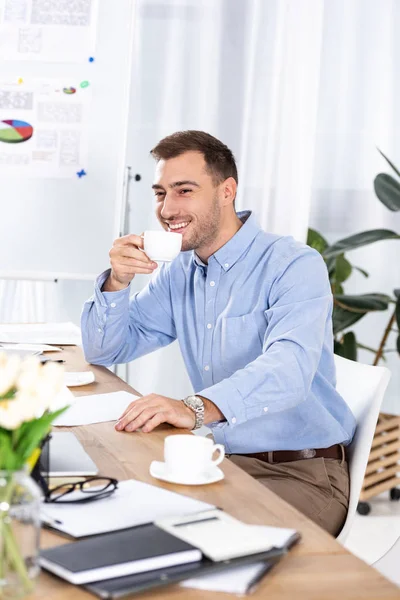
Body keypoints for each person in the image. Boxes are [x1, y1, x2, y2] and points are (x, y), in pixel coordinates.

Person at [81, 130, 356, 536]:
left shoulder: (293, 264)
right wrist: (117, 283)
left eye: (184, 190)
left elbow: (289, 370)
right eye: (160, 193)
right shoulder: (180, 273)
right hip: (221, 462)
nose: (168, 208)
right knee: (114, 523)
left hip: (301, 473)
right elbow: (106, 349)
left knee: (196, 550)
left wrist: (192, 408)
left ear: (226, 191)